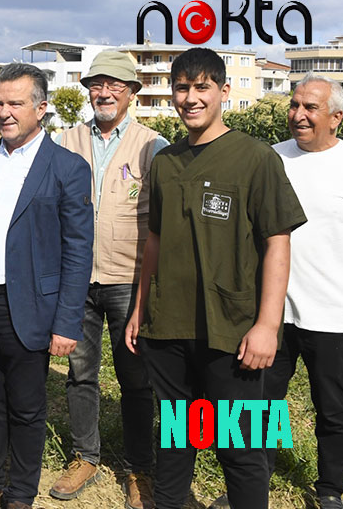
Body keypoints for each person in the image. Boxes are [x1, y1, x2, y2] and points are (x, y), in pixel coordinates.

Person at [124, 47, 305, 509]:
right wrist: (140, 309)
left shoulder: (255, 159)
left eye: (201, 87)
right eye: (182, 88)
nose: (191, 98)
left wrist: (268, 325)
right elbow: (155, 241)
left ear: (224, 91)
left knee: (239, 447)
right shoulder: (166, 162)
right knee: (176, 441)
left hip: (232, 330)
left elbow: (277, 243)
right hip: (170, 328)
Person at [0, 63, 93, 509]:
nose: (4, 112)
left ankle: (20, 494)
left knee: (27, 408)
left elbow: (77, 251)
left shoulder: (67, 167)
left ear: (41, 108)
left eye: (15, 103)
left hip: (28, 307)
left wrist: (67, 323)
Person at [53, 51, 166, 508]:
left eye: (115, 85)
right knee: (80, 374)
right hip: (76, 278)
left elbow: (162, 223)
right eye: (96, 85)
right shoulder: (64, 141)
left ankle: (140, 467)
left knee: (136, 377)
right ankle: (85, 456)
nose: (104, 93)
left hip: (128, 278)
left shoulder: (152, 146)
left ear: (132, 93)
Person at [267, 75, 343, 509]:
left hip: (334, 314)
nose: (299, 115)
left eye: (310, 107)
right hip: (273, 313)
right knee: (260, 402)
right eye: (294, 105)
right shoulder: (271, 159)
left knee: (332, 408)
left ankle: (330, 491)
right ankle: (251, 480)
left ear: (336, 117)